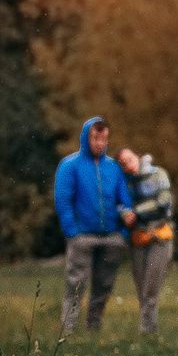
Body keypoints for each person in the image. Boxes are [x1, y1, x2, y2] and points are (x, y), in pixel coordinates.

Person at [54, 118, 131, 333]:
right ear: (86, 137)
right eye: (95, 138)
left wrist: (123, 233)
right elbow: (63, 200)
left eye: (104, 138)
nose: (100, 143)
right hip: (82, 237)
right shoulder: (70, 165)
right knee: (76, 286)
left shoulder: (113, 168)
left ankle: (93, 327)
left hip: (111, 238)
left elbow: (124, 200)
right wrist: (72, 232)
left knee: (104, 286)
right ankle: (67, 331)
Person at [116, 147, 174, 334]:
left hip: (160, 236)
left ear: (138, 158)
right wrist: (124, 213)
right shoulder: (122, 183)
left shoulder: (158, 174)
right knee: (142, 288)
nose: (128, 165)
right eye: (123, 163)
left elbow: (164, 200)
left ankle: (146, 330)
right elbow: (117, 205)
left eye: (130, 159)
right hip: (138, 239)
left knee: (150, 287)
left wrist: (137, 212)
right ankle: (150, 329)